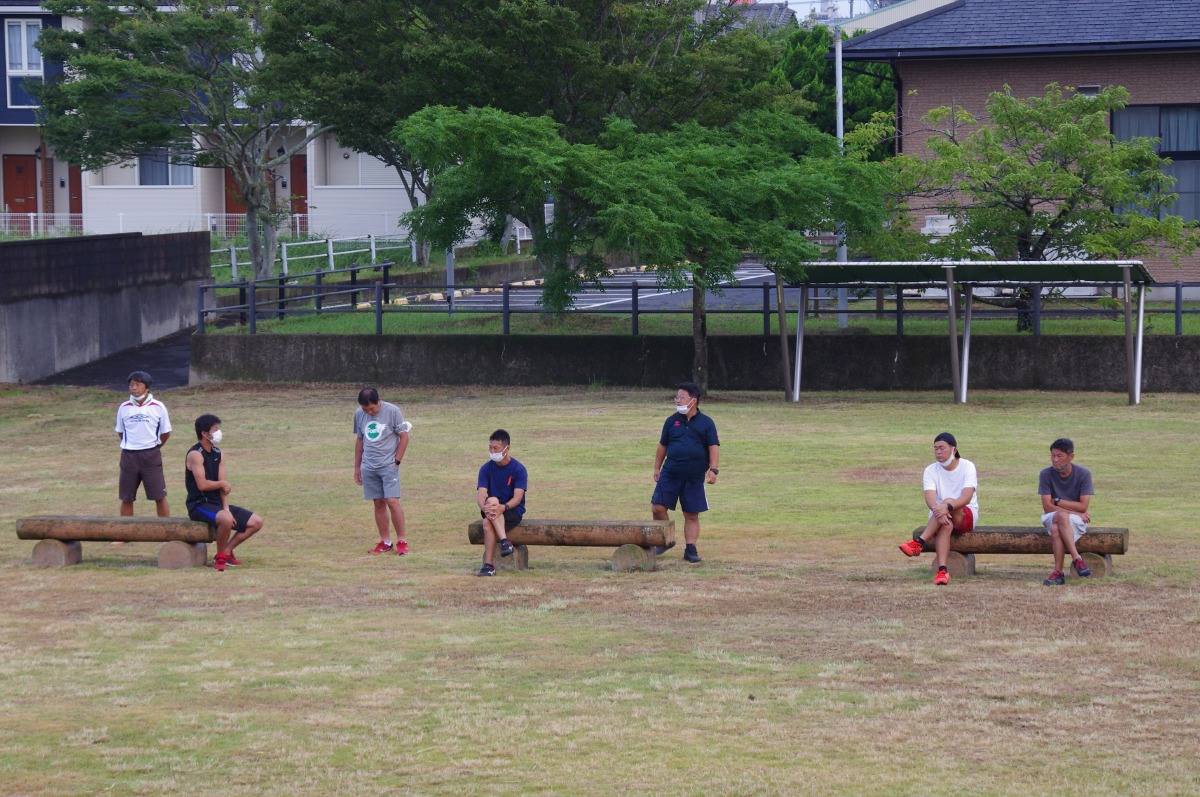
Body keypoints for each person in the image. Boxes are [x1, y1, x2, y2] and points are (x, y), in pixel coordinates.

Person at [185, 414, 264, 572]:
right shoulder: (195, 454)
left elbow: (223, 486)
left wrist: (226, 508)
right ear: (204, 433)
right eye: (215, 429)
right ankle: (220, 558)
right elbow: (202, 485)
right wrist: (222, 484)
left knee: (256, 522)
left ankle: (226, 552)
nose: (219, 432)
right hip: (199, 505)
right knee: (226, 519)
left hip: (217, 504)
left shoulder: (218, 453)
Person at [651, 382, 720, 564]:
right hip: (670, 473)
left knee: (691, 514)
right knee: (657, 508)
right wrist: (657, 467)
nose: (678, 400)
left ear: (693, 400)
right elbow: (663, 445)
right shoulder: (671, 421)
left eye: (681, 397)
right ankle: (665, 540)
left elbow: (713, 447)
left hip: (694, 476)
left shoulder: (706, 423)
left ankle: (690, 549)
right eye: (677, 397)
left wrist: (713, 470)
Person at [899, 432, 978, 586]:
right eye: (935, 449)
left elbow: (967, 497)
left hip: (964, 515)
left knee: (948, 501)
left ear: (954, 450)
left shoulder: (967, 466)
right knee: (945, 525)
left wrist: (947, 507)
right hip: (940, 517)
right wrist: (940, 511)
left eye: (942, 448)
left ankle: (919, 542)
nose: (938, 452)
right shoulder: (930, 470)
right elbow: (929, 497)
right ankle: (942, 571)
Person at [353, 386, 410, 555]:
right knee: (378, 503)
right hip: (369, 466)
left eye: (372, 408)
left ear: (379, 401)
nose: (369, 412)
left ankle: (402, 541)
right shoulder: (359, 414)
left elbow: (404, 436)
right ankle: (385, 541)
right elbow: (360, 440)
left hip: (388, 466)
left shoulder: (393, 411)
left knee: (392, 501)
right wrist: (357, 467)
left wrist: (396, 461)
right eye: (365, 409)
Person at [115, 370, 172, 520]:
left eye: (138, 384)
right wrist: (132, 444)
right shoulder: (124, 407)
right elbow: (120, 431)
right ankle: (125, 531)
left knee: (159, 495)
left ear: (147, 388)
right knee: (126, 497)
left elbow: (165, 433)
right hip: (129, 456)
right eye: (131, 384)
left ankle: (165, 529)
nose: (134, 388)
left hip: (151, 456)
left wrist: (154, 447)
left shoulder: (158, 406)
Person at [1038, 438, 1094, 585]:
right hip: (1052, 515)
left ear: (1071, 457)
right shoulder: (1045, 474)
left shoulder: (1084, 474)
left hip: (1074, 520)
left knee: (1056, 529)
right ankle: (1077, 559)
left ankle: (1058, 573)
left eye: (1059, 456)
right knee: (1061, 516)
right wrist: (1074, 512)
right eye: (1052, 456)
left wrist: (1058, 500)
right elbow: (1047, 506)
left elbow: (1083, 506)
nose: (1055, 460)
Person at [475, 429, 528, 577]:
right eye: (490, 448)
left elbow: (517, 498)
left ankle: (489, 565)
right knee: (492, 501)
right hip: (491, 509)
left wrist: (502, 508)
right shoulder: (485, 469)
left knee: (487, 522)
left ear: (507, 448)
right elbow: (481, 495)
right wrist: (485, 507)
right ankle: (505, 542)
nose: (492, 451)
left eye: (496, 448)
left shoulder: (518, 469)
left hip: (511, 510)